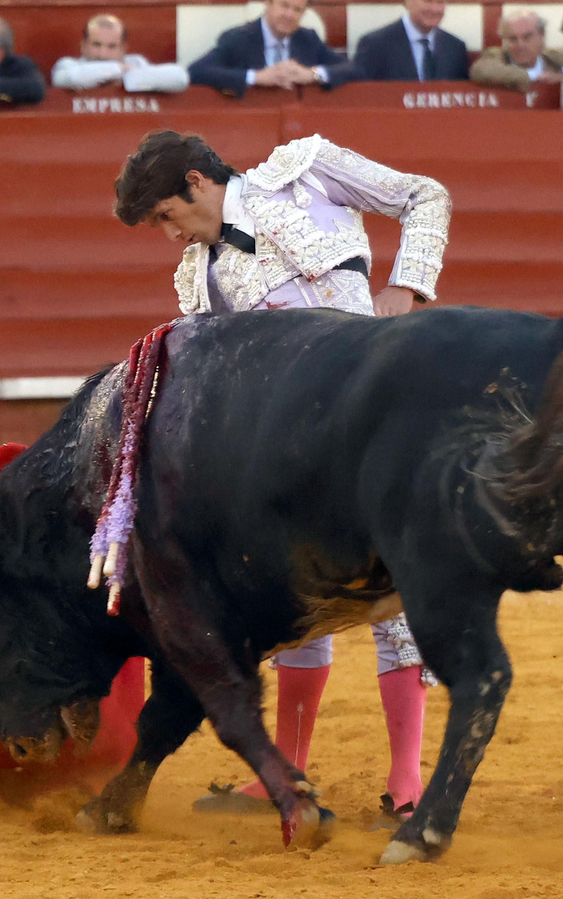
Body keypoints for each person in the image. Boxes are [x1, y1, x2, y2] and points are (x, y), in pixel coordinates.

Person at [113, 129, 450, 825]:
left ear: (199, 183)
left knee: (403, 593)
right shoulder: (198, 278)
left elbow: (424, 195)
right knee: (300, 604)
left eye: (169, 217)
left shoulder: (306, 171)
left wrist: (406, 285)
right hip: (295, 456)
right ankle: (287, 775)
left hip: (381, 415)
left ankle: (408, 783)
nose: (171, 236)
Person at [187, 0, 349, 96]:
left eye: (297, 9)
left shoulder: (308, 40)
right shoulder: (239, 38)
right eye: (284, 5)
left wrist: (313, 74)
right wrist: (255, 77)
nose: (289, 15)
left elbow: (354, 68)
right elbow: (196, 71)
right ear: (268, 3)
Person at [51, 14, 188, 93]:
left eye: (112, 46)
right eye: (96, 45)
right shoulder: (68, 64)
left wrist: (130, 77)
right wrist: (117, 69)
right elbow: (70, 78)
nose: (102, 54)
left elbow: (180, 77)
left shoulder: (135, 62)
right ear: (83, 46)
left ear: (123, 49)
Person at [348, 0, 470, 82]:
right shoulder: (375, 45)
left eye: (440, 2)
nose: (435, 9)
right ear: (408, 1)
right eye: (428, 0)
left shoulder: (455, 48)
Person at [470, 10, 563, 92]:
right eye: (513, 39)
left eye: (527, 37)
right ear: (504, 41)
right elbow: (481, 70)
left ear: (542, 36)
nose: (520, 45)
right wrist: (531, 77)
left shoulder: (555, 58)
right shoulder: (496, 56)